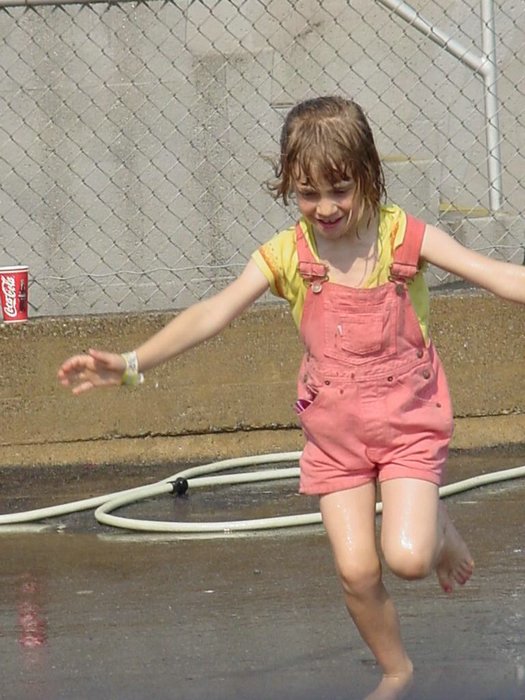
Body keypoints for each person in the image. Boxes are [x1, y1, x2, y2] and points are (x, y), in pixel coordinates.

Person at [58, 95, 525, 700]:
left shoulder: (403, 237)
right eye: (308, 193)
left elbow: (496, 274)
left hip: (409, 423)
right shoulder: (287, 255)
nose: (325, 208)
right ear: (289, 186)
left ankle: (434, 524)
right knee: (357, 572)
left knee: (407, 558)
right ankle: (396, 671)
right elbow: (214, 313)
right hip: (336, 436)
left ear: (369, 175)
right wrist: (129, 363)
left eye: (340, 189)